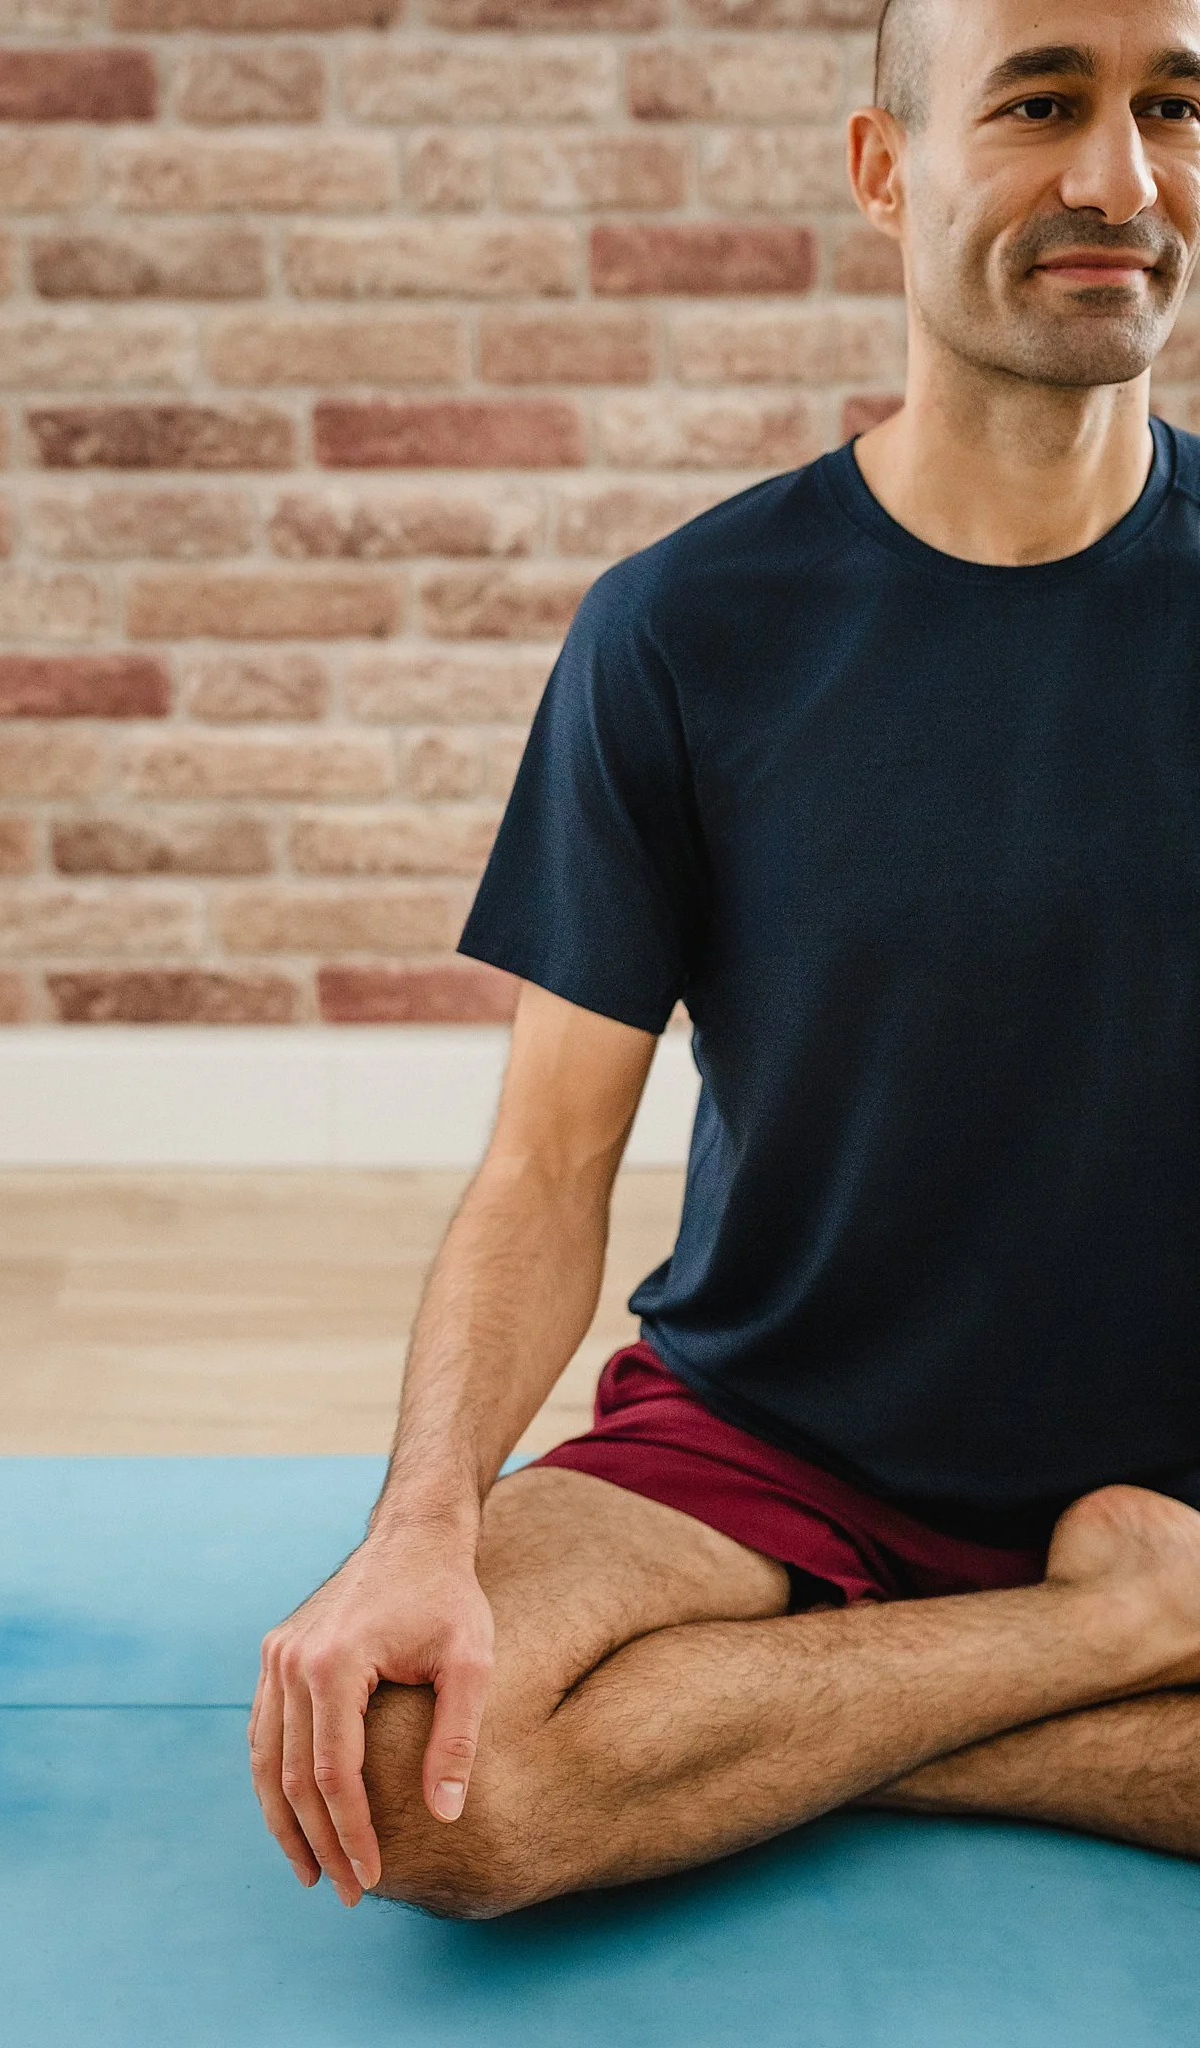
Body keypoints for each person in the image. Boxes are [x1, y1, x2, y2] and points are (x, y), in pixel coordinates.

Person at [249, 0, 1200, 1919]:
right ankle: (1107, 1646)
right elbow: (544, 1168)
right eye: (1040, 105)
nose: (1122, 180)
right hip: (778, 1438)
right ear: (882, 168)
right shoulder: (685, 630)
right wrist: (422, 1524)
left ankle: (752, 1748)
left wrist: (709, 1737)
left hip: (1178, 1461)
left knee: (557, 1759)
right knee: (400, 1772)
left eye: (1174, 106)